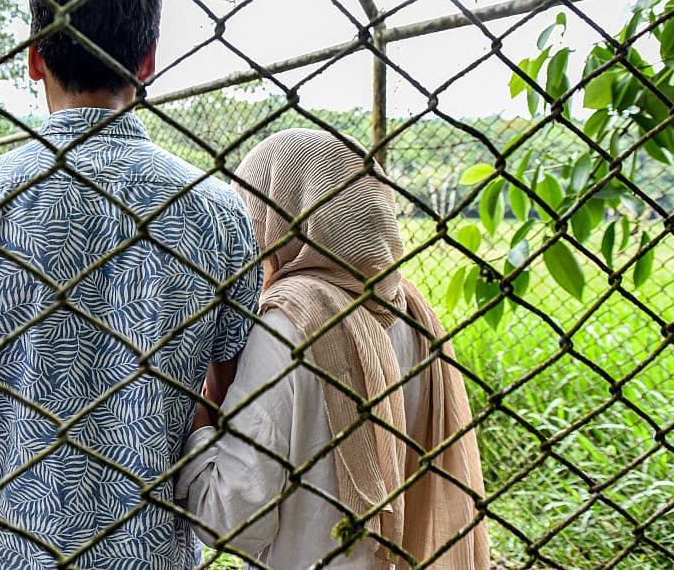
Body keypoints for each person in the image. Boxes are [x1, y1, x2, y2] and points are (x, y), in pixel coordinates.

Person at [0, 0, 261, 570]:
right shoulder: (218, 211)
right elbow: (225, 397)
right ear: (147, 64)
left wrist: (10, 474)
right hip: (154, 552)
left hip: (8, 550)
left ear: (33, 57)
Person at [176, 129, 490, 569]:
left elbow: (234, 522)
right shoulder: (412, 311)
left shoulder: (287, 325)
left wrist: (198, 418)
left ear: (272, 214)